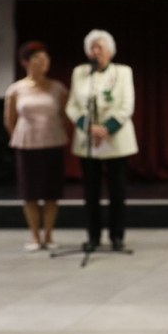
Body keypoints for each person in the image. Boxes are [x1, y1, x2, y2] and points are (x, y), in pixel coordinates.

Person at [65, 30, 138, 252]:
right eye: (92, 48)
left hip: (115, 139)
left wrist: (106, 129)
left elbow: (127, 105)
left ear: (110, 51)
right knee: (90, 192)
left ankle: (117, 236)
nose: (96, 52)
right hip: (88, 141)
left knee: (117, 191)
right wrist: (88, 128)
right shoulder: (80, 73)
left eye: (100, 47)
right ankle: (93, 237)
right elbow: (72, 105)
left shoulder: (123, 72)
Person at [4, 41, 69, 252]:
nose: (43, 62)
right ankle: (34, 237)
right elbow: (9, 120)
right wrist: (20, 137)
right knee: (30, 193)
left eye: (46, 58)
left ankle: (49, 235)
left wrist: (55, 131)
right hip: (27, 144)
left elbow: (66, 116)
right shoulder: (16, 89)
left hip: (53, 142)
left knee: (51, 193)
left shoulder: (58, 88)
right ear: (25, 62)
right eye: (37, 59)